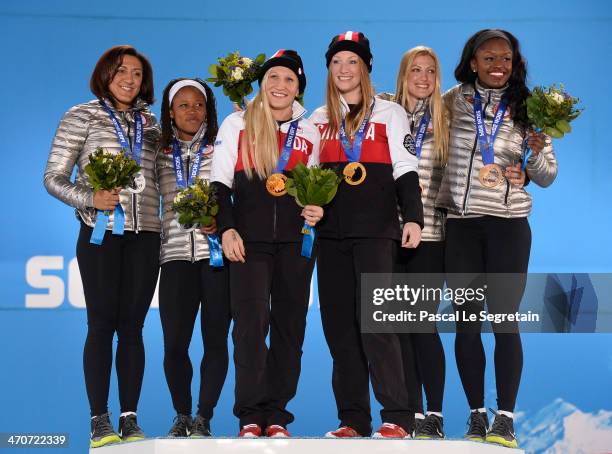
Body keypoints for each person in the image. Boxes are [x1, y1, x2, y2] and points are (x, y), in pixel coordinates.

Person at [436, 29, 557, 449]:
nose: (497, 66)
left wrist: (532, 161)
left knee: (505, 321)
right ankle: (475, 416)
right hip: (462, 225)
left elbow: (547, 175)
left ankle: (505, 419)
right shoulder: (451, 102)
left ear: (514, 62)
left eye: (505, 58)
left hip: (508, 227)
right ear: (472, 62)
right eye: (488, 58)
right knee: (467, 325)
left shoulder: (530, 107)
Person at [43, 45, 161, 448]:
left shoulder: (152, 124)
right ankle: (99, 420)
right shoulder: (81, 116)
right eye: (121, 72)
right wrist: (89, 199)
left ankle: (130, 418)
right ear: (105, 75)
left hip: (146, 236)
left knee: (133, 328)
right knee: (101, 325)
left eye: (137, 74)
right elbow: (53, 177)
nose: (130, 80)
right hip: (100, 235)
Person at [310, 31, 424, 439]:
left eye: (353, 61)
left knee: (378, 324)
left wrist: (414, 218)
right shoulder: (318, 119)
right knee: (339, 328)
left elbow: (405, 170)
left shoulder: (390, 114)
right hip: (330, 236)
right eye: (337, 62)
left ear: (367, 67)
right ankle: (353, 419)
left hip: (377, 233)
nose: (345, 69)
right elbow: (304, 178)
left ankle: (398, 415)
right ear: (329, 69)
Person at [211, 50, 322, 437]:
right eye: (274, 77)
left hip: (297, 245)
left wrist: (316, 209)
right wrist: (227, 229)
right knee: (250, 326)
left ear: (299, 89)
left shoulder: (310, 131)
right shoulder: (237, 123)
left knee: (291, 328)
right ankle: (249, 415)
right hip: (248, 243)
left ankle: (277, 414)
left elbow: (320, 188)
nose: (280, 85)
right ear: (261, 83)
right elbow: (219, 185)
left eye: (290, 80)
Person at [381, 46, 450, 439]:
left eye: (430, 71)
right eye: (415, 70)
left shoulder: (448, 116)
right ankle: (410, 413)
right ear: (402, 75)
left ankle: (435, 415)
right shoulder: (386, 110)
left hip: (430, 235)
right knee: (397, 327)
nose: (422, 78)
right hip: (388, 233)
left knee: (422, 324)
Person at [156, 78, 230, 437]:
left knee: (216, 341)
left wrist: (222, 219)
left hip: (215, 258)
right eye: (183, 105)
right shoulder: (156, 152)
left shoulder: (222, 148)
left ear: (208, 109)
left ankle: (204, 416)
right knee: (174, 344)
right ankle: (182, 414)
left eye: (199, 104)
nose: (192, 111)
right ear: (170, 112)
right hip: (173, 258)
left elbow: (239, 197)